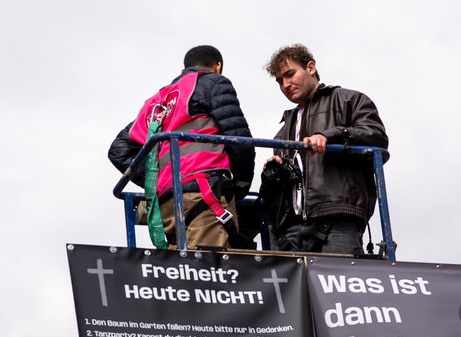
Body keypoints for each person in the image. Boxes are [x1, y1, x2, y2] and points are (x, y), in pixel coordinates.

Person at [109, 45, 254, 249]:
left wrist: (156, 183)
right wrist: (240, 185)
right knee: (209, 271)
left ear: (182, 71)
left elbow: (119, 150)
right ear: (217, 66)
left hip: (167, 200)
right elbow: (239, 138)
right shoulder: (214, 82)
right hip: (206, 191)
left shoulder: (158, 101)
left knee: (184, 273)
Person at [260, 43, 388, 254]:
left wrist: (332, 135)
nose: (285, 84)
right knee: (292, 289)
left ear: (310, 68)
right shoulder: (284, 129)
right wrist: (271, 176)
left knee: (341, 286)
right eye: (280, 81)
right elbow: (272, 195)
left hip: (339, 221)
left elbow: (377, 139)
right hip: (290, 228)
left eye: (290, 74)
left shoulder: (350, 99)